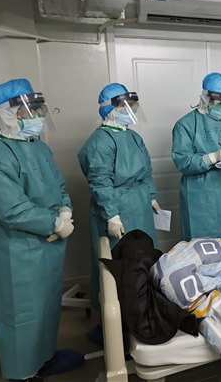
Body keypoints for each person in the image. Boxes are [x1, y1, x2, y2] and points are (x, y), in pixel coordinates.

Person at [0, 79, 82, 381]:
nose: (36, 116)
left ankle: (44, 359)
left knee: (46, 306)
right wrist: (54, 223)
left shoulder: (39, 147)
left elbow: (58, 185)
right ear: (8, 113)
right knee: (21, 314)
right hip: (18, 250)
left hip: (48, 247)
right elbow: (12, 208)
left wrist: (65, 210)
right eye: (28, 110)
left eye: (38, 109)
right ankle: (22, 373)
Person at [78, 83, 160, 317]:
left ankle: (143, 311)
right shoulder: (100, 141)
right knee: (119, 263)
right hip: (117, 209)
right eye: (125, 106)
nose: (130, 110)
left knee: (145, 257)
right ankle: (117, 320)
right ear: (110, 109)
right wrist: (112, 215)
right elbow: (100, 181)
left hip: (140, 205)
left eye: (132, 105)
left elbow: (146, 172)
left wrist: (151, 197)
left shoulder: (134, 137)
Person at [171, 72, 221, 241]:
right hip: (198, 194)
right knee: (200, 244)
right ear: (207, 100)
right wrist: (212, 157)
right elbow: (182, 161)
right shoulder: (186, 125)